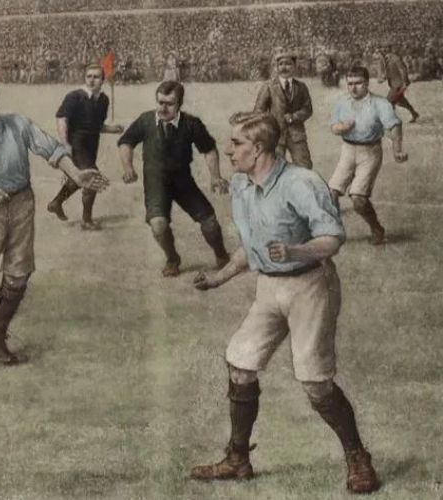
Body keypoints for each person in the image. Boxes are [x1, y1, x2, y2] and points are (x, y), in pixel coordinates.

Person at [190, 111, 380, 494]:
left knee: (315, 382)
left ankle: (359, 458)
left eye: (236, 143)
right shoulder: (243, 185)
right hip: (269, 289)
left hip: (311, 286)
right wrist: (217, 278)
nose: (228, 150)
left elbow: (333, 238)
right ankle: (238, 458)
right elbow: (252, 247)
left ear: (258, 147)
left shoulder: (302, 183)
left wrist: (295, 249)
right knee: (241, 364)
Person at [0, 79, 108, 366]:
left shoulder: (19, 125)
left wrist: (76, 174)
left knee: (18, 276)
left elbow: (53, 150)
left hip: (21, 203)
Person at [117, 81, 230, 277]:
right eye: (160, 102)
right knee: (158, 224)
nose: (163, 108)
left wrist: (215, 177)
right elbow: (126, 142)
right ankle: (172, 259)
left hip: (182, 181)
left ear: (179, 104)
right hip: (156, 182)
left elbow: (209, 149)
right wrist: (128, 168)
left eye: (169, 104)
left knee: (210, 223)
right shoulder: (145, 120)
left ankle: (221, 255)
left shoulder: (191, 123)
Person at [329, 65, 408, 245]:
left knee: (358, 199)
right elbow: (333, 126)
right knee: (331, 194)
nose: (353, 88)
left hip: (370, 151)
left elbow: (394, 126)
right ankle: (334, 231)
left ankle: (376, 228)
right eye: (350, 84)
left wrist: (397, 150)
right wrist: (341, 128)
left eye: (358, 83)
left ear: (367, 83)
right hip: (347, 150)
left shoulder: (380, 103)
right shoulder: (342, 102)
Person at [46, 63, 123, 230]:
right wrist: (65, 144)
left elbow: (96, 125)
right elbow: (62, 119)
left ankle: (56, 203)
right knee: (91, 177)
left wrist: (112, 129)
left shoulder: (103, 100)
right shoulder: (75, 96)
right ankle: (86, 221)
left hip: (91, 143)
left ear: (103, 80)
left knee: (78, 177)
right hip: (76, 142)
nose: (92, 80)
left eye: (96, 77)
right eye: (89, 76)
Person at [253, 51, 314, 168]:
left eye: (288, 64)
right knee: (274, 168)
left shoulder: (301, 87)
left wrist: (294, 117)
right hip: (275, 136)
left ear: (295, 67)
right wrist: (268, 127)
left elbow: (308, 109)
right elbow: (258, 112)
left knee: (305, 166)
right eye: (281, 64)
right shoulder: (268, 87)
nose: (284, 67)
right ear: (276, 67)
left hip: (297, 135)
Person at [380, 46, 419, 123]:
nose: (383, 50)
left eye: (385, 48)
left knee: (389, 101)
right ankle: (414, 113)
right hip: (394, 84)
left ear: (389, 49)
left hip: (398, 84)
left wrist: (405, 82)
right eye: (382, 49)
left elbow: (403, 70)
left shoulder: (395, 59)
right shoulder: (387, 59)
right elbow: (390, 71)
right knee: (401, 101)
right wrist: (384, 78)